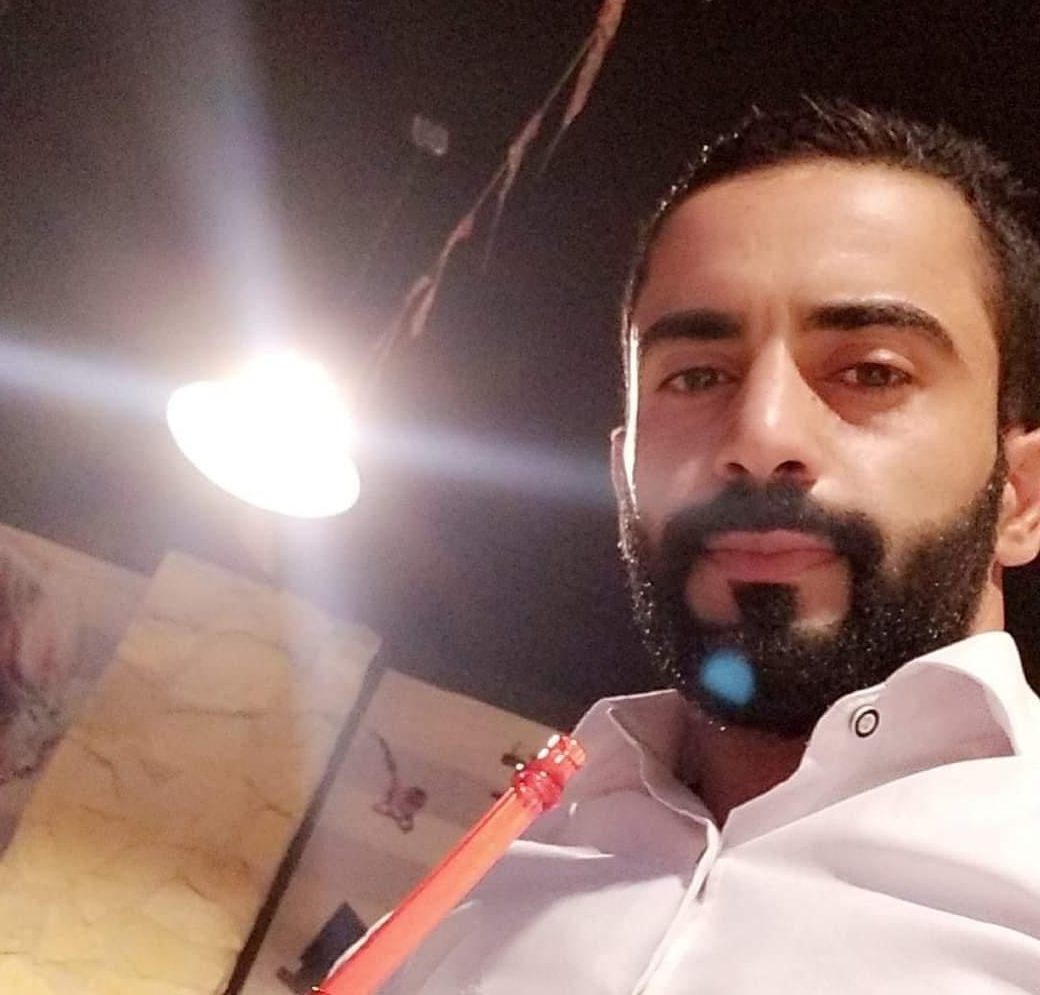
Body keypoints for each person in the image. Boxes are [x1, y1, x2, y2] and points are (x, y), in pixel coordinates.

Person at [380, 99, 1040, 992]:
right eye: (696, 377)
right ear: (624, 482)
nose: (759, 435)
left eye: (871, 371)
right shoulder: (471, 899)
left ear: (1021, 498)